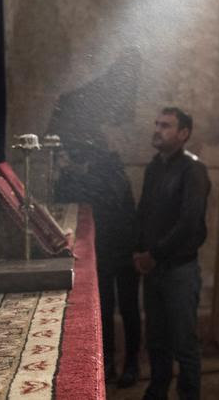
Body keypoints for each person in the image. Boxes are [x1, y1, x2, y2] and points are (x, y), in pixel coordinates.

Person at [134, 107, 211, 400]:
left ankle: (189, 395)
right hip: (153, 267)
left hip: (179, 269)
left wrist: (153, 252)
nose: (157, 129)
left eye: (165, 125)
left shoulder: (193, 170)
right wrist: (138, 250)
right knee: (156, 340)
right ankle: (157, 391)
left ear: (183, 134)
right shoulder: (154, 166)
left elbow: (189, 222)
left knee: (184, 343)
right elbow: (144, 212)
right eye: (156, 124)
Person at [54, 139, 140, 387]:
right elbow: (68, 198)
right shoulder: (85, 173)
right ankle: (108, 363)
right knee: (103, 307)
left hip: (123, 249)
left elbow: (106, 201)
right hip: (101, 250)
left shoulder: (109, 170)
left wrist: (73, 173)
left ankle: (131, 364)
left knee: (128, 308)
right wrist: (66, 174)